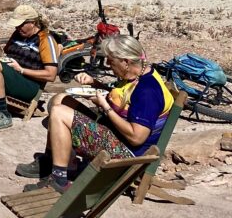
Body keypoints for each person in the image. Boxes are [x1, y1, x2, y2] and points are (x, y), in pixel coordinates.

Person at [16, 34, 174, 192]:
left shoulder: (147, 91)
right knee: (61, 100)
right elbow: (123, 98)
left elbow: (136, 137)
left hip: (126, 156)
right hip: (115, 134)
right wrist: (95, 84)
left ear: (126, 62)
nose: (108, 65)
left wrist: (106, 107)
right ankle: (51, 161)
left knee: (59, 113)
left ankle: (59, 180)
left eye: (111, 61)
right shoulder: (137, 74)